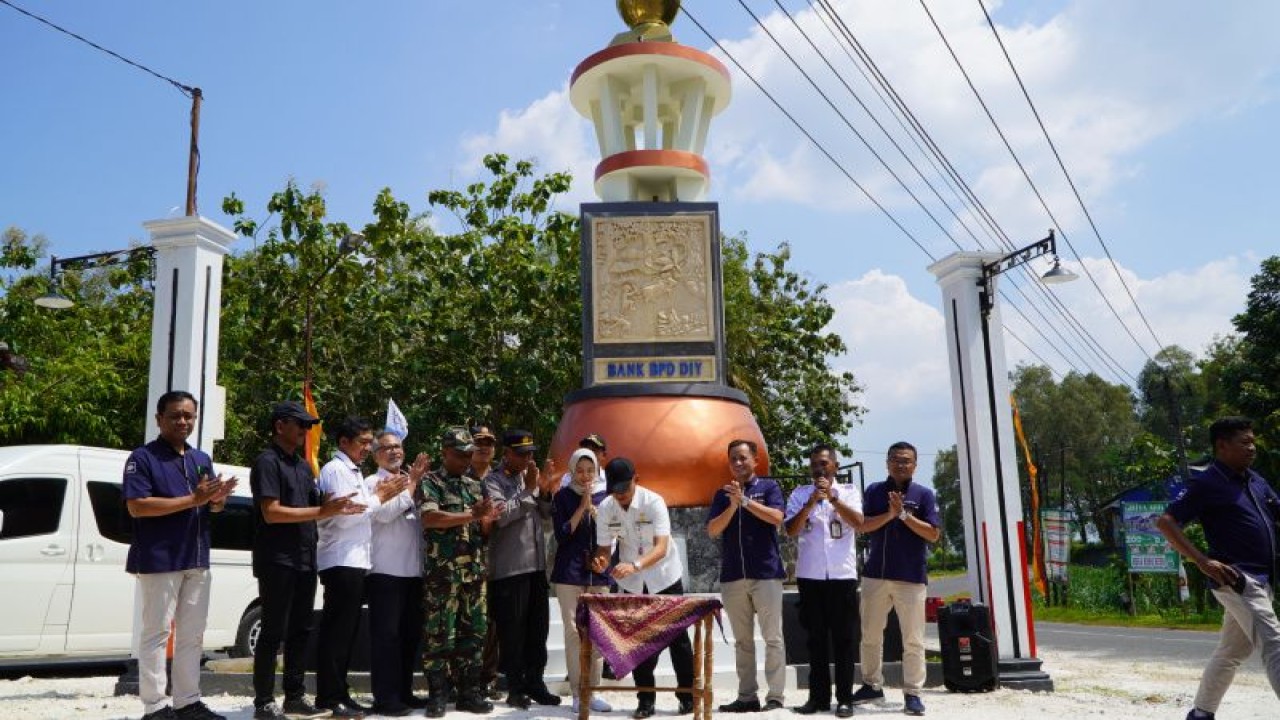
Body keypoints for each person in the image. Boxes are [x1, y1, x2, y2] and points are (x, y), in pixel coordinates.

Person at [1156, 416, 1280, 720]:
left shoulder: (1255, 480)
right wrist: (1201, 560)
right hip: (1237, 578)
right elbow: (1166, 522)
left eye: (1253, 441)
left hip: (1264, 580)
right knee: (1274, 643)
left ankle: (1200, 714)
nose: (1252, 447)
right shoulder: (1207, 483)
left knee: (1231, 653)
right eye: (1245, 442)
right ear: (1222, 446)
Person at [124, 390, 237, 720]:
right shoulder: (142, 458)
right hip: (160, 558)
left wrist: (218, 499)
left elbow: (210, 505)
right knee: (157, 632)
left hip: (197, 557)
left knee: (192, 634)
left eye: (189, 415)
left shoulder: (201, 458)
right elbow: (137, 506)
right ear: (159, 419)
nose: (183, 421)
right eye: (175, 415)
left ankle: (187, 701)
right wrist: (194, 500)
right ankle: (155, 705)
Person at [249, 401, 364, 720]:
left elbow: (317, 505)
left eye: (308, 426)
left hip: (304, 558)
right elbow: (271, 513)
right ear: (279, 426)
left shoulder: (302, 467)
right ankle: (263, 701)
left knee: (301, 629)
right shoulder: (267, 462)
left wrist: (337, 504)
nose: (305, 431)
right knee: (272, 631)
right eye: (299, 424)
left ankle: (295, 696)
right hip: (277, 559)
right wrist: (322, 511)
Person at [315, 417, 405, 718]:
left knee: (347, 633)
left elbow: (359, 510)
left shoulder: (351, 470)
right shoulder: (336, 470)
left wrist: (375, 499)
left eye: (370, 442)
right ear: (343, 442)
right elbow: (345, 516)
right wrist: (381, 496)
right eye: (363, 442)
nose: (368, 448)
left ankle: (339, 692)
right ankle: (328, 696)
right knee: (337, 632)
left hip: (354, 560)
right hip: (341, 558)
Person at [592, 457, 695, 719]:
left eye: (624, 490)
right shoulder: (606, 507)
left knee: (678, 640)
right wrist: (601, 560)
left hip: (664, 577)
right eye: (615, 491)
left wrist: (634, 565)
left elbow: (661, 548)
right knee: (637, 641)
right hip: (633, 583)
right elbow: (605, 547)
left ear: (636, 479)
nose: (620, 496)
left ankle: (687, 697)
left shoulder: (654, 502)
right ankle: (645, 700)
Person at [852, 442, 940, 717]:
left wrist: (902, 514)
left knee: (913, 639)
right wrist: (888, 514)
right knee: (870, 635)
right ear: (887, 462)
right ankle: (871, 684)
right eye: (896, 460)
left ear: (915, 464)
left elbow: (933, 534)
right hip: (875, 574)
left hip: (910, 576)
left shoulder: (924, 495)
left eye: (907, 460)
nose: (901, 465)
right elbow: (862, 525)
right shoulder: (874, 491)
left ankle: (912, 692)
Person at [420, 427, 500, 717]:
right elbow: (430, 518)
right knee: (439, 634)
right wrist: (472, 515)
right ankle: (438, 695)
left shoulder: (475, 485)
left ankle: (469, 692)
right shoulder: (431, 482)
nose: (465, 460)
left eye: (468, 455)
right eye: (459, 454)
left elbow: (482, 529)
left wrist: (488, 519)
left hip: (473, 573)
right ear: (444, 452)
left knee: (474, 634)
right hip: (443, 575)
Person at [784, 444, 865, 717]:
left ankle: (844, 699)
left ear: (835, 467)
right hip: (811, 576)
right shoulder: (799, 494)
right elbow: (790, 530)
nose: (820, 469)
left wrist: (833, 499)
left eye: (824, 464)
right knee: (815, 639)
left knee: (843, 640)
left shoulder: (849, 492)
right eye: (815, 465)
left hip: (842, 576)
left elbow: (859, 522)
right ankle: (817, 698)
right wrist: (810, 504)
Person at [707, 439, 786, 713]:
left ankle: (775, 696)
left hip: (765, 573)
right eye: (733, 459)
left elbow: (777, 517)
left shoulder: (769, 487)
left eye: (743, 458)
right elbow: (713, 530)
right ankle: (747, 696)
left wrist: (746, 501)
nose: (738, 463)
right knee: (743, 641)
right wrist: (732, 505)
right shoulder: (721, 494)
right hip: (733, 577)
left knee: (772, 638)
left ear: (755, 460)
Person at [483, 429, 561, 709]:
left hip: (536, 566)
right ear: (507, 454)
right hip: (510, 569)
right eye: (522, 454)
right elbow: (501, 517)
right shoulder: (493, 481)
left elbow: (545, 515)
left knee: (537, 630)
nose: (528, 458)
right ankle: (515, 687)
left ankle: (535, 682)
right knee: (512, 632)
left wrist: (546, 489)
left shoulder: (528, 477)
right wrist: (529, 489)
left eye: (531, 453)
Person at [364, 430, 430, 716]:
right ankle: (385, 698)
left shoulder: (413, 482)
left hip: (413, 572)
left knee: (409, 636)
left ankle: (404, 692)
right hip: (385, 572)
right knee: (386, 638)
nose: (394, 452)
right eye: (387, 448)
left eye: (398, 447)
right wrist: (412, 483)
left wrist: (414, 483)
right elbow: (384, 514)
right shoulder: (372, 482)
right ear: (376, 454)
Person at [551, 448, 613, 714]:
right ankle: (577, 693)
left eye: (591, 470)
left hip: (598, 572)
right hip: (569, 573)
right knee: (574, 632)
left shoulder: (607, 498)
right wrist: (582, 505)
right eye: (580, 470)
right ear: (572, 471)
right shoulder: (562, 497)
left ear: (598, 470)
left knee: (598, 632)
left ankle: (594, 690)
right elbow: (563, 535)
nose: (586, 475)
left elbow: (614, 535)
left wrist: (598, 513)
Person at [468, 423, 503, 700]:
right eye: (479, 441)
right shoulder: (457, 475)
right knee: (464, 620)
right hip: (462, 559)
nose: (484, 446)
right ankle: (461, 678)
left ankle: (488, 678)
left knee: (491, 622)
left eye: (489, 442)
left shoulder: (501, 478)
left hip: (496, 559)